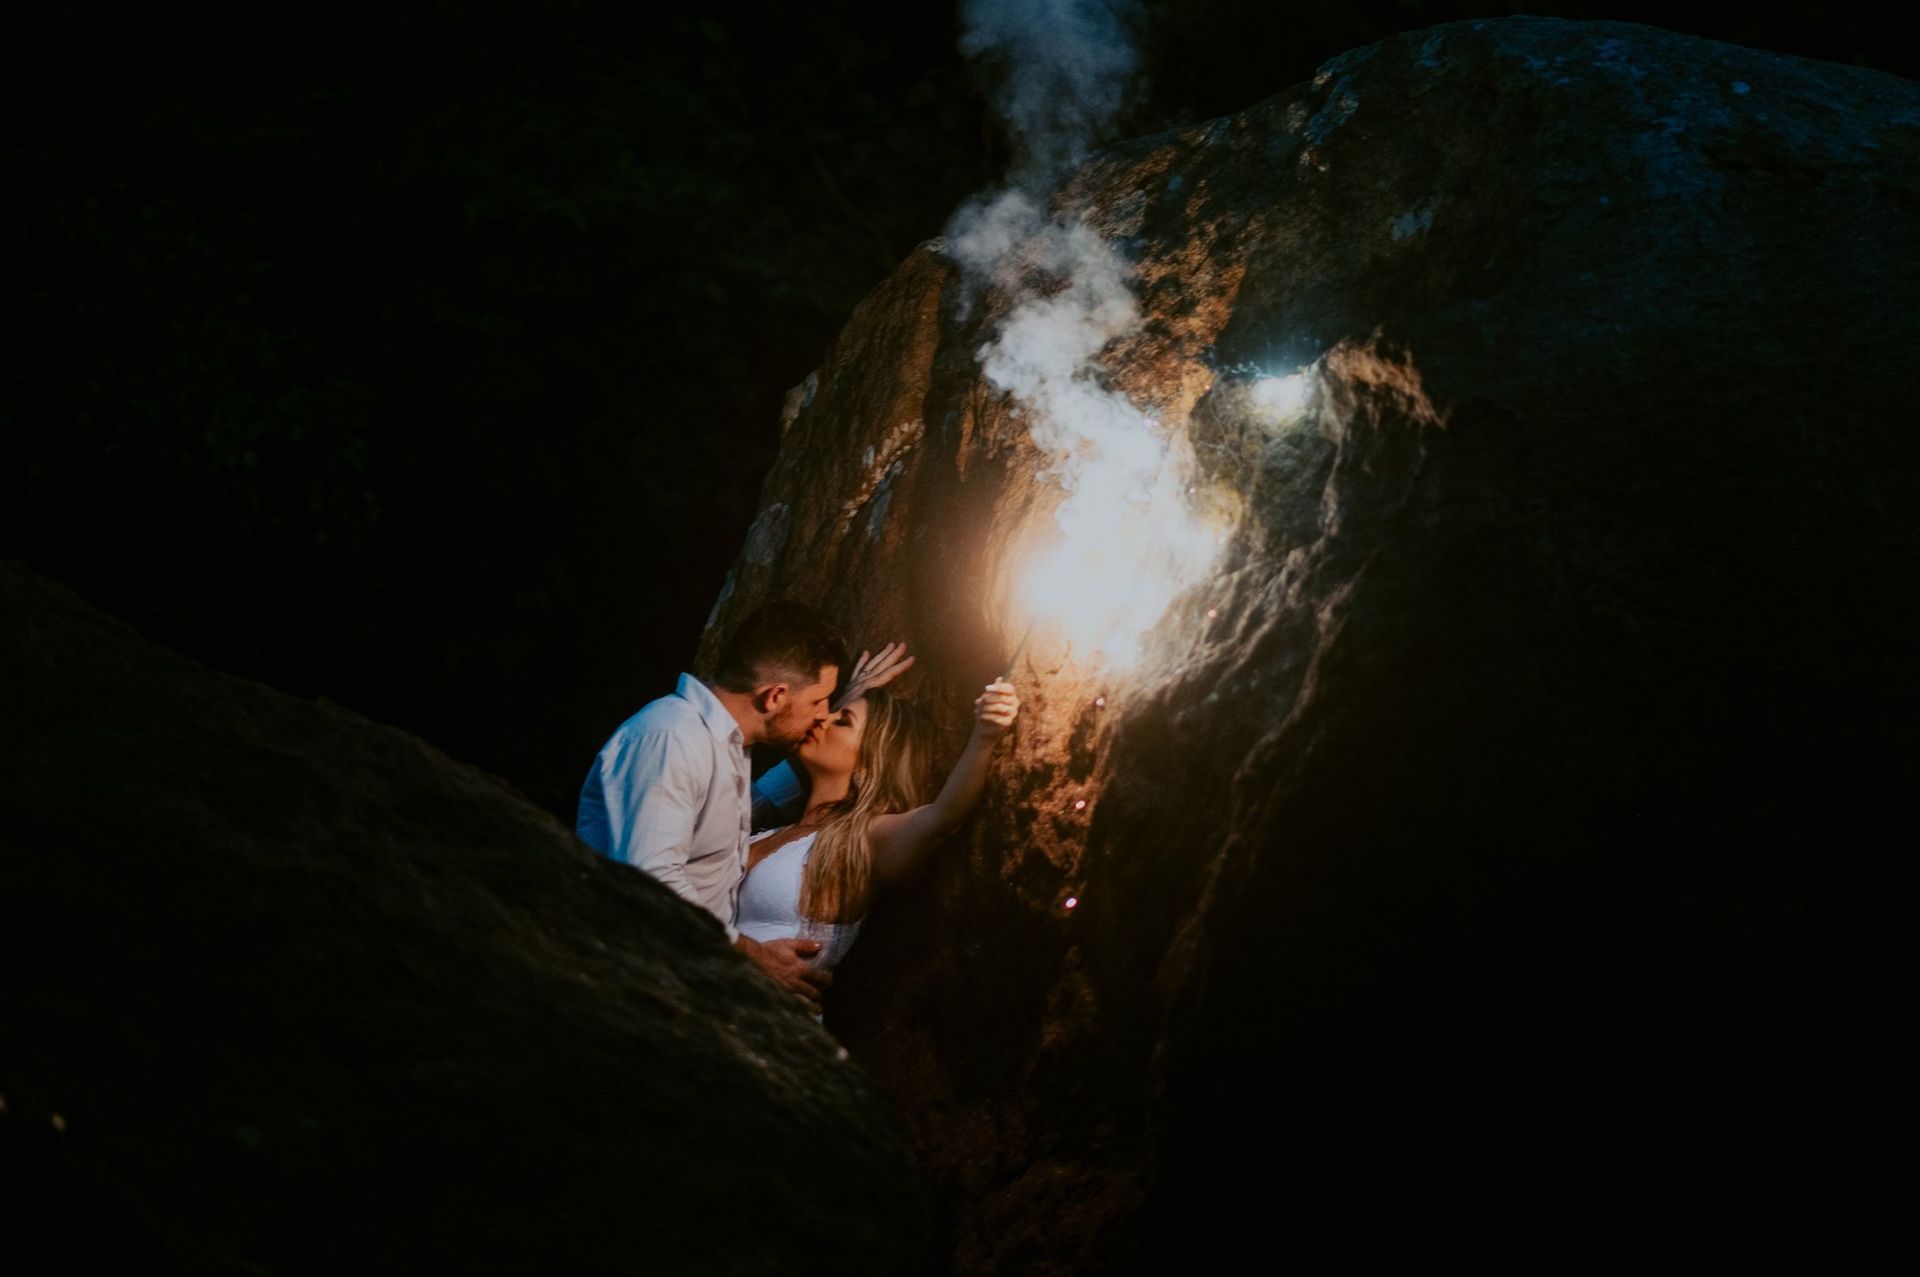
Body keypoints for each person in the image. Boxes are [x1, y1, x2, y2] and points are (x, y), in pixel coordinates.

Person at [575, 599, 847, 1004]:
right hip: (627, 986)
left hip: (678, 985)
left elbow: (732, 816)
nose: (824, 715)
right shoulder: (672, 738)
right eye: (817, 702)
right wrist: (756, 957)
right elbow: (652, 882)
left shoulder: (726, 745)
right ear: (774, 697)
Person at [735, 677, 1020, 999]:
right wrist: (852, 695)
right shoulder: (774, 831)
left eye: (842, 722)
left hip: (769, 1027)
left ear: (870, 763)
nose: (822, 719)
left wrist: (984, 735)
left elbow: (943, 817)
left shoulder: (861, 839)